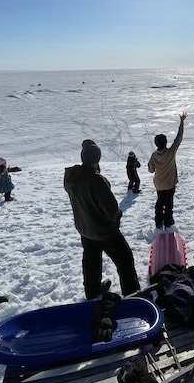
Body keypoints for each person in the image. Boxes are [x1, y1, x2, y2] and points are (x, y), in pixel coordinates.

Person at [64, 139, 141, 299]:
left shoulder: (71, 177)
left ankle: (92, 291)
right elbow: (112, 211)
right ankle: (132, 294)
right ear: (97, 159)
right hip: (105, 231)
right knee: (125, 259)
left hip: (85, 229)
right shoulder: (97, 180)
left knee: (91, 260)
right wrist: (118, 217)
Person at [148, 112, 187, 229]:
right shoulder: (171, 152)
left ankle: (158, 222)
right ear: (165, 143)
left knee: (160, 203)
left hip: (159, 184)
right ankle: (168, 223)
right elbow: (178, 138)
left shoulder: (154, 155)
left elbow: (150, 170)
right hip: (170, 184)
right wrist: (181, 122)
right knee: (168, 204)